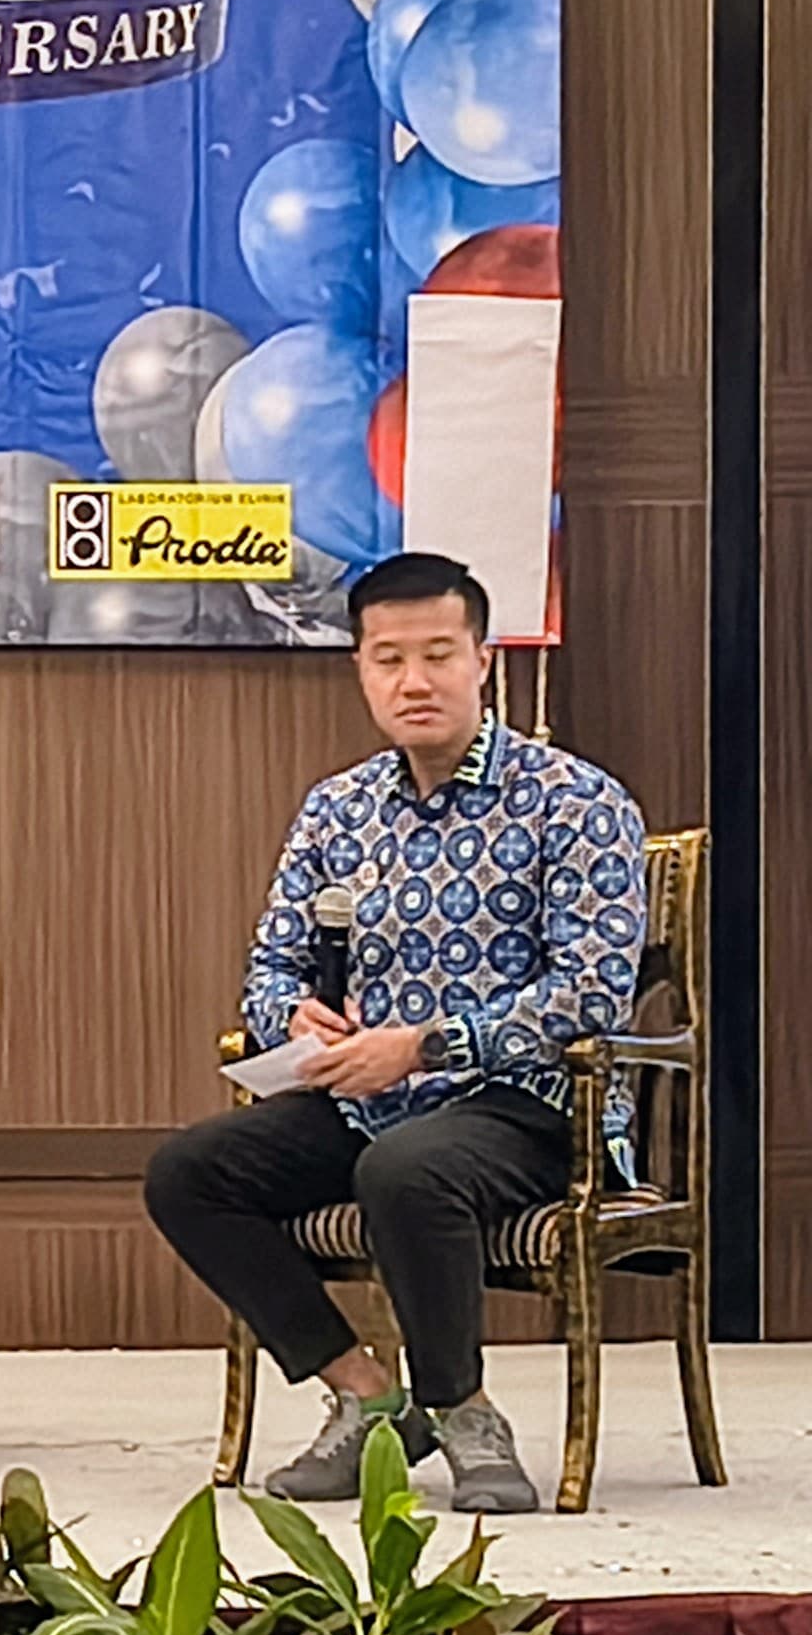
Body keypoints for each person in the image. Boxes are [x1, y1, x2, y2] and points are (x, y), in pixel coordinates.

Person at [144, 551, 645, 1518]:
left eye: (438, 655)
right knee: (190, 1173)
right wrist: (291, 1016)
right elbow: (271, 964)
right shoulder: (338, 808)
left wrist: (425, 1045)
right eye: (389, 659)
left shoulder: (576, 802)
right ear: (361, 669)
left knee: (407, 1170)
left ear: (483, 660)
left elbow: (592, 992)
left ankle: (463, 1412)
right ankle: (368, 1396)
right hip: (368, 1100)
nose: (414, 681)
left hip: (530, 1103)